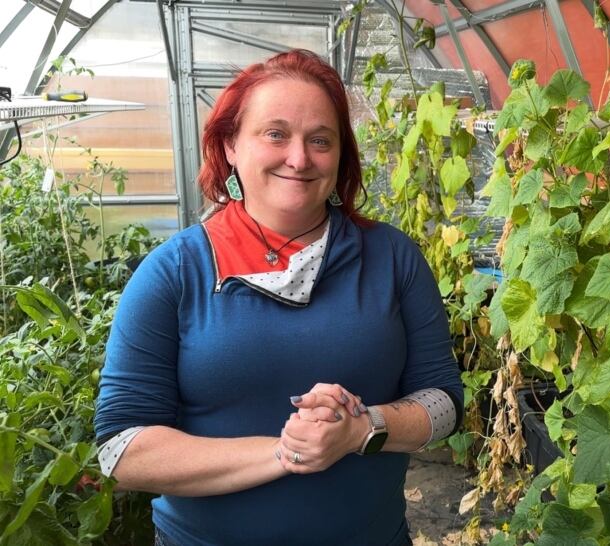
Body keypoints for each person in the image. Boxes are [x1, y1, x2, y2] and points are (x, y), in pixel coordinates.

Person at [93, 49, 463, 546]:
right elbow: (122, 449)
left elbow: (443, 402)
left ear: (340, 155)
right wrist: (289, 451)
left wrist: (362, 429)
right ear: (229, 145)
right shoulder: (176, 271)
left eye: (320, 140)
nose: (299, 157)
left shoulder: (391, 258)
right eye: (275, 133)